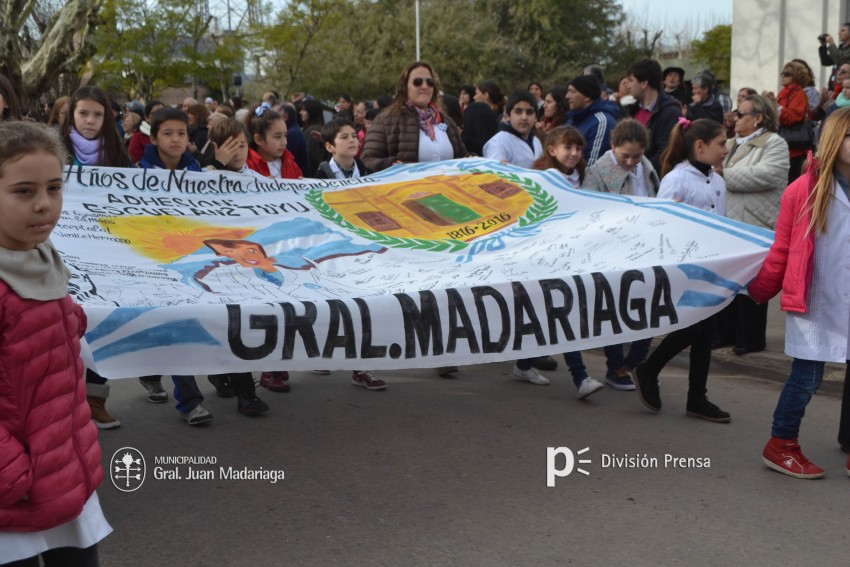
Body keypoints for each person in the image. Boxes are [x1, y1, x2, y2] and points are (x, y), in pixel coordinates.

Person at [0, 120, 111, 565]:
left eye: (54, 188)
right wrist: (14, 476)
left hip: (64, 475)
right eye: (24, 191)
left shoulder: (44, 259)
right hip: (16, 495)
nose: (45, 205)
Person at [751, 106, 850, 478]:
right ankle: (781, 445)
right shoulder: (802, 190)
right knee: (807, 378)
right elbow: (781, 249)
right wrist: (760, 289)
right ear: (833, 140)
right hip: (814, 301)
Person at [633, 117, 731, 423]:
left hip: (712, 264)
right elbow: (661, 225)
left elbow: (722, 223)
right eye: (722, 144)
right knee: (693, 327)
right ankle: (649, 368)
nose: (726, 149)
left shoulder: (718, 181)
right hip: (685, 266)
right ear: (700, 146)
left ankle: (696, 398)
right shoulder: (677, 179)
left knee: (706, 332)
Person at [61, 86, 133, 428]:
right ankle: (64, 404)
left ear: (107, 119)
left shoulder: (119, 155)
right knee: (62, 329)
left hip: (108, 251)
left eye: (97, 115)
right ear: (71, 115)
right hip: (61, 252)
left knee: (100, 325)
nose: (90, 121)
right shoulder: (53, 151)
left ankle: (95, 399)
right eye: (83, 113)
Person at [528, 126, 604, 399]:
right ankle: (581, 377)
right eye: (567, 148)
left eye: (578, 148)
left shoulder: (584, 177)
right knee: (562, 313)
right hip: (545, 259)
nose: (574, 154)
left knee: (551, 314)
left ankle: (523, 363)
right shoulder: (541, 179)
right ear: (551, 150)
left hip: (575, 257)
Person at [582, 119, 658, 390]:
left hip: (646, 248)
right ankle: (616, 366)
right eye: (625, 156)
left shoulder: (646, 167)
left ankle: (636, 362)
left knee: (648, 310)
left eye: (636, 156)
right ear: (613, 147)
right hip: (612, 251)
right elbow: (589, 215)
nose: (630, 162)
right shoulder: (597, 173)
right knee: (614, 311)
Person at [314, 118, 388, 391]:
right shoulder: (319, 176)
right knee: (331, 305)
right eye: (344, 137)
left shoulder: (366, 173)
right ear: (330, 146)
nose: (352, 140)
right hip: (330, 252)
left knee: (362, 306)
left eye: (354, 136)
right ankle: (324, 353)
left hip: (361, 250)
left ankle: (361, 366)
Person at [714, 95, 789, 356]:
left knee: (754, 285)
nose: (734, 117)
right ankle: (726, 333)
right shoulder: (731, 143)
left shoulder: (774, 143)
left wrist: (724, 174)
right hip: (731, 222)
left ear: (758, 118)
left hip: (756, 224)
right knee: (730, 282)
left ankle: (751, 338)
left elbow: (768, 174)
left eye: (741, 113)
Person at [362, 61, 467, 172]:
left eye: (430, 82)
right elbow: (367, 160)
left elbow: (462, 157)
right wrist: (389, 165)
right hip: (407, 188)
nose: (425, 86)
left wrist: (471, 158)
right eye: (417, 82)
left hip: (448, 188)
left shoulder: (447, 121)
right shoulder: (385, 120)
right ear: (405, 87)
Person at [624, 58, 683, 173]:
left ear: (644, 83)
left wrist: (636, 170)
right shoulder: (631, 109)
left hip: (654, 182)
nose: (628, 85)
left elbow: (666, 154)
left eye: (631, 80)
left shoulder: (670, 112)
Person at [764, 60, 813, 183]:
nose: (783, 76)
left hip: (795, 150)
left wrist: (775, 105)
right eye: (783, 73)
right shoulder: (784, 93)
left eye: (787, 74)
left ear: (796, 76)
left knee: (792, 183)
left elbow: (793, 117)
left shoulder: (798, 93)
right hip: (784, 146)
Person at [566, 75, 618, 166]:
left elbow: (592, 167)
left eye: (572, 92)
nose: (567, 96)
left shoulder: (602, 122)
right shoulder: (573, 118)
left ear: (587, 96)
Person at [483, 90, 542, 168]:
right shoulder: (498, 143)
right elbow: (496, 176)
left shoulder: (536, 141)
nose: (524, 117)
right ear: (507, 116)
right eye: (518, 112)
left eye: (529, 112)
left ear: (536, 118)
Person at [245, 103, 302, 180]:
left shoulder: (290, 163)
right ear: (259, 139)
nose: (284, 142)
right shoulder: (246, 167)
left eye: (285, 135)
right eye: (277, 137)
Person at [461, 81, 503, 156]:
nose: (474, 97)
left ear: (486, 95)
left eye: (476, 94)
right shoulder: (474, 113)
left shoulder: (500, 119)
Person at [300, 97, 326, 177]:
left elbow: (312, 158)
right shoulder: (319, 128)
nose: (300, 112)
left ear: (312, 112)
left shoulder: (312, 131)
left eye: (304, 110)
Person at [818, 22, 850, 88]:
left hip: (845, 86)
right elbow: (826, 62)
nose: (839, 33)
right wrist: (823, 46)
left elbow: (839, 60)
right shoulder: (841, 48)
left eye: (843, 31)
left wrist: (831, 43)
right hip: (834, 85)